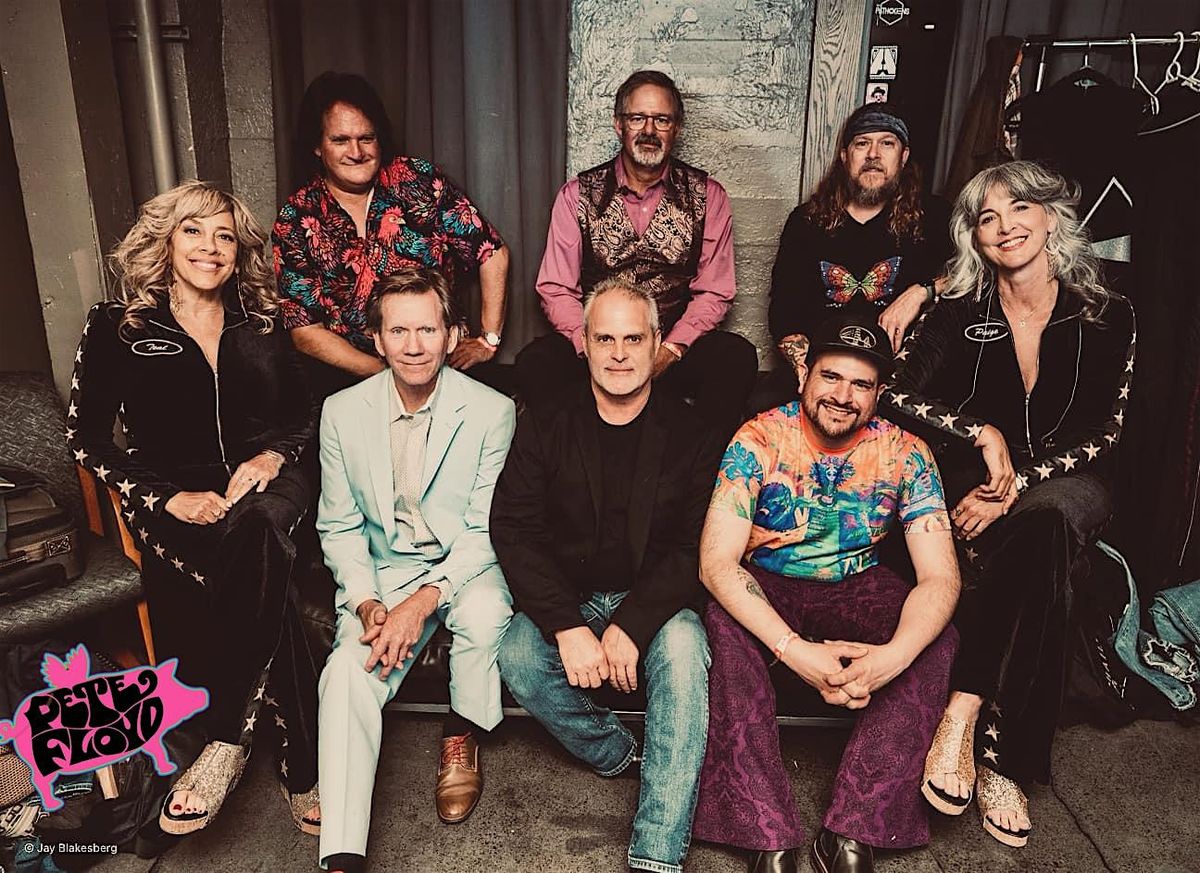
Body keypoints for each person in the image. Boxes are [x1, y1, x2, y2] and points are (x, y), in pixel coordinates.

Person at [883, 160, 1136, 848]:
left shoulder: (1107, 312)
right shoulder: (959, 311)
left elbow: (1106, 431)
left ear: (1051, 216)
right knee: (1042, 553)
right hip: (975, 477)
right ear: (974, 237)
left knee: (1046, 519)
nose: (1004, 227)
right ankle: (1008, 760)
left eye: (1020, 208)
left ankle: (963, 712)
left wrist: (1018, 485)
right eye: (987, 218)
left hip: (1069, 480)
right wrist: (980, 432)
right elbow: (895, 395)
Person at [68, 181, 320, 837]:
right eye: (193, 230)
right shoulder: (118, 326)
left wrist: (273, 457)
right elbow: (85, 439)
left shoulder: (265, 325)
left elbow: (306, 416)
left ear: (239, 252)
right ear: (166, 240)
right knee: (271, 579)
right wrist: (166, 497)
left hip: (268, 483)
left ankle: (225, 739)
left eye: (224, 235)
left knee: (260, 528)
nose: (210, 247)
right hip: (173, 495)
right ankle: (304, 765)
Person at [692, 313, 960, 873]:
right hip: (768, 578)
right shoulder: (758, 438)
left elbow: (940, 578)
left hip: (855, 582)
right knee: (721, 623)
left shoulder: (907, 452)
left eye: (861, 384)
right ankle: (764, 829)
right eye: (831, 376)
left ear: (879, 394)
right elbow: (716, 565)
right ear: (804, 376)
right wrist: (795, 652)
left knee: (936, 635)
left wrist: (892, 659)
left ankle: (853, 830)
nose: (842, 395)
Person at [492, 279, 723, 873]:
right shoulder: (546, 422)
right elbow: (514, 528)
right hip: (572, 595)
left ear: (656, 344)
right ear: (586, 345)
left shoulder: (694, 432)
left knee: (684, 649)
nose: (619, 354)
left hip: (656, 598)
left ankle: (656, 856)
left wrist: (633, 624)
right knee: (519, 654)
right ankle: (619, 753)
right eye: (605, 339)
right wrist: (567, 626)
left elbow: (695, 546)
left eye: (633, 339)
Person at [315, 268, 515, 873]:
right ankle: (342, 854)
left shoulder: (493, 411)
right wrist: (367, 602)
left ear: (452, 335)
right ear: (377, 339)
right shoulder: (340, 412)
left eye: (427, 330)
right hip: (383, 570)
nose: (413, 345)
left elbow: (485, 529)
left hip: (464, 564)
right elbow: (339, 526)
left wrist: (424, 600)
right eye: (398, 331)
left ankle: (462, 732)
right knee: (345, 673)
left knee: (484, 613)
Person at [518, 69, 757, 436]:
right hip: (598, 347)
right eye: (637, 118)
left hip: (670, 345)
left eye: (661, 119)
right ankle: (573, 463)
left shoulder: (709, 196)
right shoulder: (576, 195)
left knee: (734, 357)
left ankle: (700, 466)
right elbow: (556, 288)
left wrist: (670, 350)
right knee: (537, 363)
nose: (649, 130)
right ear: (619, 124)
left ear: (677, 128)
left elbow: (714, 291)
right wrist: (591, 347)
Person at [273, 71, 510, 399]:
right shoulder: (296, 216)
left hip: (440, 369)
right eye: (340, 140)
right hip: (352, 380)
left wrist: (489, 339)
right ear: (317, 146)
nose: (356, 152)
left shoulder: (418, 181)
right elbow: (306, 331)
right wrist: (389, 375)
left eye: (366, 138)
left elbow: (492, 253)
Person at [766, 104, 952, 403]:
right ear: (845, 156)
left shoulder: (934, 216)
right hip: (820, 368)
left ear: (904, 156)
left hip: (900, 377)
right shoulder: (806, 221)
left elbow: (977, 271)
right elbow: (784, 314)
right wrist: (810, 369)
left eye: (887, 143)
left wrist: (923, 291)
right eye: (862, 143)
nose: (873, 155)